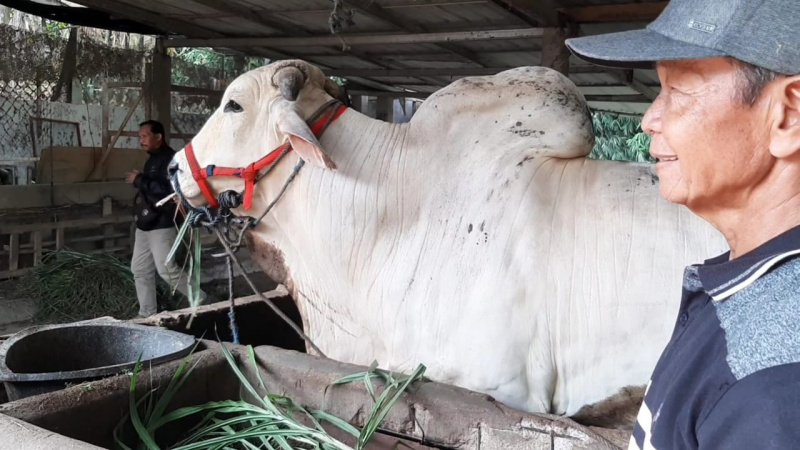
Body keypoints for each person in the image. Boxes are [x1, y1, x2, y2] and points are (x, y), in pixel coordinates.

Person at [565, 0, 800, 448]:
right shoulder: (752, 284)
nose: (649, 119)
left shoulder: (777, 389)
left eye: (680, 89)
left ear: (788, 115)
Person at [126, 120, 206, 318]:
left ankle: (200, 298)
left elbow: (168, 191)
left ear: (158, 137)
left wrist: (139, 180)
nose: (141, 140)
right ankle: (147, 313)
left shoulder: (171, 159)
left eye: (145, 136)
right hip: (146, 224)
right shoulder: (152, 160)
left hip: (162, 223)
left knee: (166, 269)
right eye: (140, 137)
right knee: (139, 268)